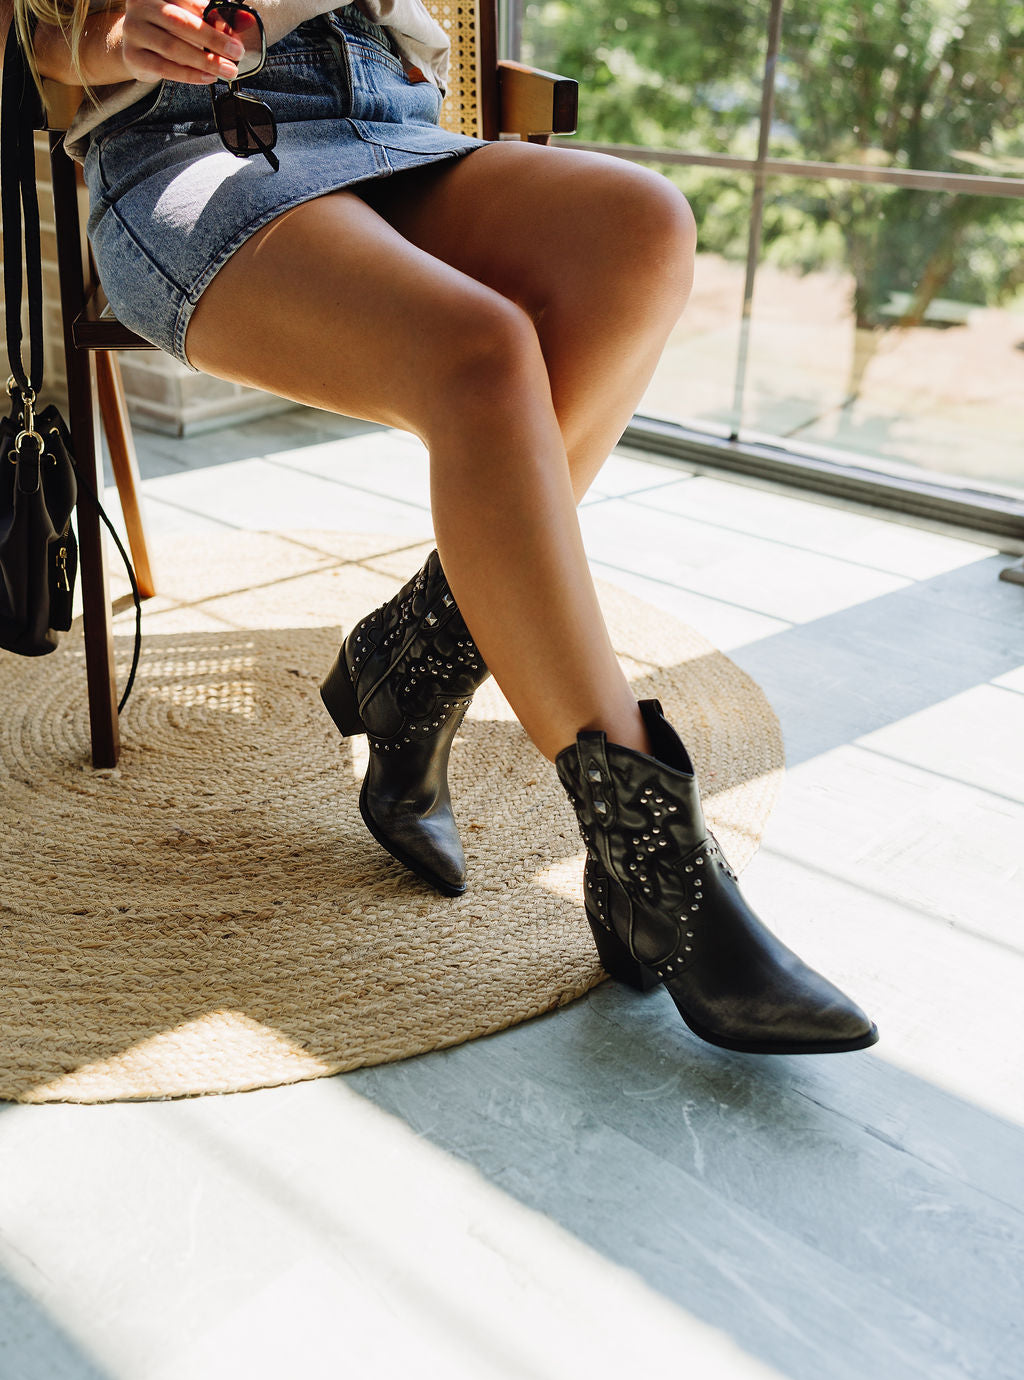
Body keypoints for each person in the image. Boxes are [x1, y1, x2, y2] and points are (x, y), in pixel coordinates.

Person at [15, 0, 877, 1055]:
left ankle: (417, 652)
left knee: (644, 226)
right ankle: (656, 872)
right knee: (482, 351)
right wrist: (100, 41)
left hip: (385, 114)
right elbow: (28, 33)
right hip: (187, 146)